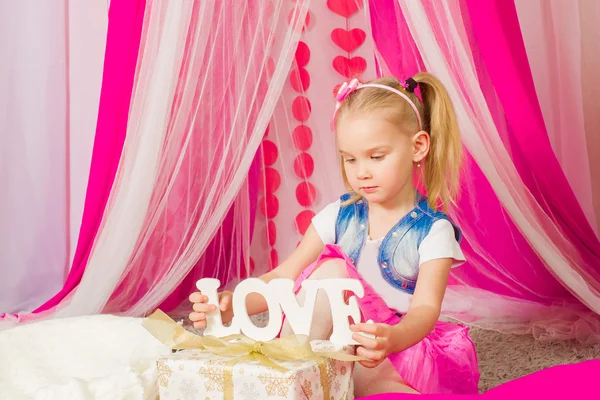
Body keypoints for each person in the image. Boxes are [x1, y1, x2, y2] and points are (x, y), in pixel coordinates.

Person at [189, 74, 480, 395]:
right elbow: (284, 276)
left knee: (388, 391)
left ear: (417, 147)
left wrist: (391, 339)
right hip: (325, 347)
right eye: (350, 159)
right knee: (331, 271)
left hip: (386, 352)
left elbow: (424, 311)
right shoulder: (337, 217)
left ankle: (321, 385)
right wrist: (233, 306)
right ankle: (291, 374)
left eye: (376, 156)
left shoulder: (433, 231)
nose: (361, 172)